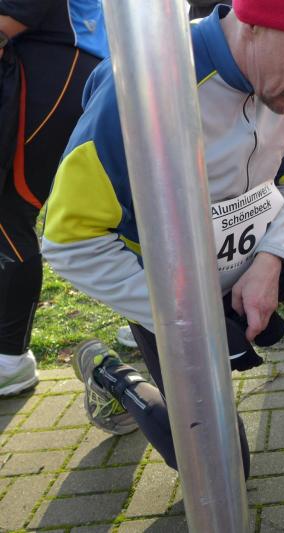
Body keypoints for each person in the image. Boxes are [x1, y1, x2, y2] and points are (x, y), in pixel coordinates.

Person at [42, 0, 284, 517]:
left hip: (254, 254)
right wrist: (191, 319)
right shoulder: (143, 90)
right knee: (223, 467)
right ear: (252, 25)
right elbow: (69, 242)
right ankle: (114, 378)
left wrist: (270, 260)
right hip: (171, 292)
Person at [0, 0, 108, 396]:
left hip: (60, 60)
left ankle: (10, 358)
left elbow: (16, 14)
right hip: (52, 61)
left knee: (10, 209)